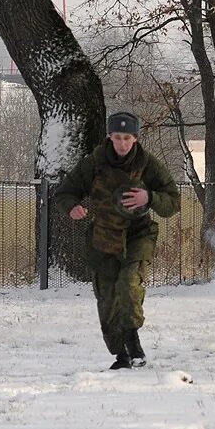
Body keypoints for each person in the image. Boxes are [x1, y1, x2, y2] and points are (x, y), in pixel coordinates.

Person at [51, 111, 180, 370]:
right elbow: (65, 192)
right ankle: (121, 354)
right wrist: (72, 207)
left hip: (138, 234)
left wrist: (150, 198)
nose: (122, 144)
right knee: (107, 300)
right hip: (104, 236)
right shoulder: (94, 163)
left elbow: (173, 201)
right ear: (109, 137)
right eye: (117, 137)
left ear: (135, 138)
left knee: (129, 284)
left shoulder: (147, 164)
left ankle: (133, 342)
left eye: (127, 138)